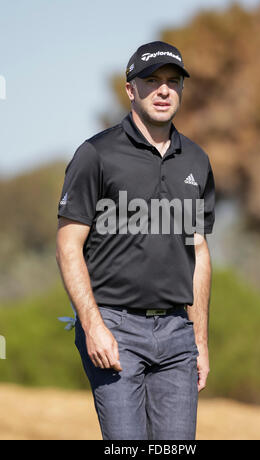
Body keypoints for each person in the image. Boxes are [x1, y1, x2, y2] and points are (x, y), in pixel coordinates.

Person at [56, 40, 215, 440]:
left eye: (172, 81)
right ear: (131, 89)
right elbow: (68, 244)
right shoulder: (96, 154)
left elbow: (198, 250)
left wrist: (199, 340)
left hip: (178, 333)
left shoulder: (196, 160)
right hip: (115, 327)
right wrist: (93, 326)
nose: (164, 90)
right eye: (152, 80)